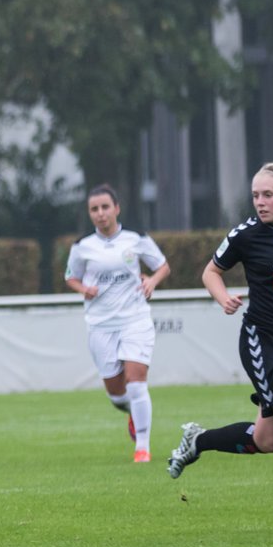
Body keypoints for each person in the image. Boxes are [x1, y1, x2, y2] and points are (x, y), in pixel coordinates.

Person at [168, 162, 273, 532]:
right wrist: (222, 297)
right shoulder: (247, 234)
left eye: (268, 195)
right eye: (255, 195)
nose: (260, 202)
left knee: (268, 440)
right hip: (263, 341)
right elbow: (211, 271)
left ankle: (199, 440)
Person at [64, 184, 171, 462]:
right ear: (90, 213)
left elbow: (162, 266)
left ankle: (143, 448)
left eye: (105, 207)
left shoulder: (135, 239)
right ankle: (133, 415)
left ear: (116, 209)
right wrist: (82, 289)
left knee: (136, 385)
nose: (100, 214)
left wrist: (152, 280)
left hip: (135, 319)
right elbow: (71, 277)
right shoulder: (82, 246)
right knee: (117, 395)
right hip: (100, 325)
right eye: (94, 209)